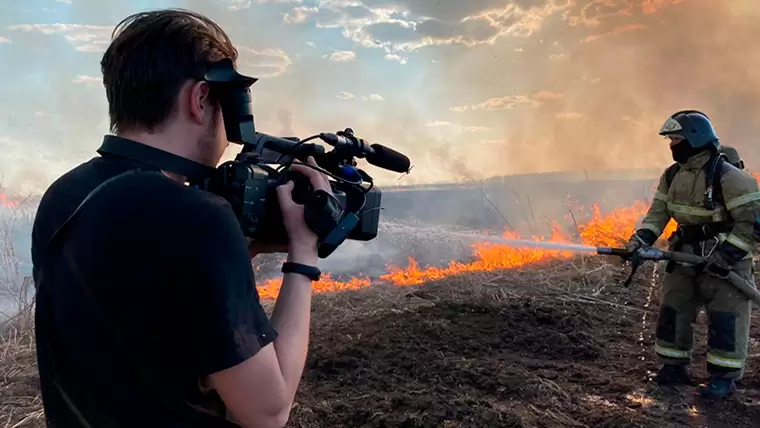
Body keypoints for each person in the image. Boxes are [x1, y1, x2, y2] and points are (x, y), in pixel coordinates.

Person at [31, 9, 329, 427]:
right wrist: (303, 254)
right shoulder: (198, 218)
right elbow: (267, 411)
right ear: (202, 99)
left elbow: (141, 329)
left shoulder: (62, 197)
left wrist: (239, 252)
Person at [626, 110, 760, 398]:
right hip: (683, 257)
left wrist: (727, 254)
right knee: (673, 310)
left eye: (676, 138)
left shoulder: (730, 177)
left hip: (726, 262)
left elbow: (752, 223)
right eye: (671, 140)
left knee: (726, 318)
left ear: (695, 138)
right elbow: (657, 214)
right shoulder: (672, 175)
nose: (672, 145)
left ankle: (723, 379)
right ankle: (673, 367)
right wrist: (641, 238)